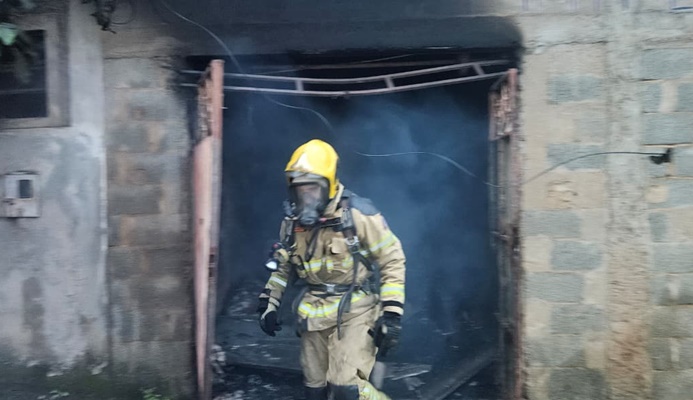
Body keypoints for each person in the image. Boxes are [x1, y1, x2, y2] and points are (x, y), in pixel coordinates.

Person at [256, 139, 406, 400]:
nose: (307, 197)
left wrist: (392, 314)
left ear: (329, 184)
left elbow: (392, 258)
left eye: (313, 188)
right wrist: (269, 304)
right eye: (300, 190)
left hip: (355, 312)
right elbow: (282, 268)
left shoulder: (358, 215)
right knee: (315, 391)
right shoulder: (292, 225)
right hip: (312, 317)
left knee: (347, 390)